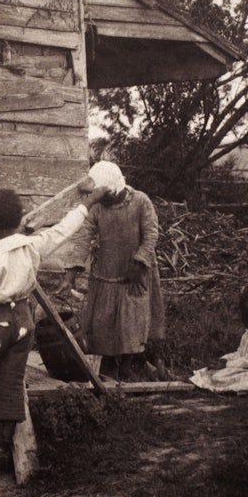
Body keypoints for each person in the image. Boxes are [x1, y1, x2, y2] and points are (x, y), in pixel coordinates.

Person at [0, 185, 109, 471]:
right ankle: (3, 441)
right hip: (24, 321)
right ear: (19, 221)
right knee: (12, 379)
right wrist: (88, 202)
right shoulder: (33, 245)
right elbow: (64, 229)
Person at [57, 161, 166, 381]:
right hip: (107, 271)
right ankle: (108, 364)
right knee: (104, 320)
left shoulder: (140, 202)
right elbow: (83, 238)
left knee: (132, 320)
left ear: (115, 187)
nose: (102, 199)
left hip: (134, 272)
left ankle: (127, 364)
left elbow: (151, 234)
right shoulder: (97, 207)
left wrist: (139, 262)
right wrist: (70, 274)